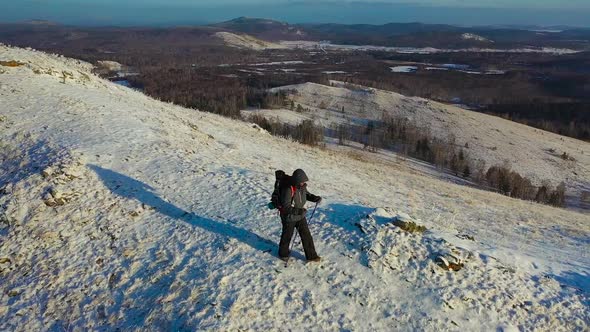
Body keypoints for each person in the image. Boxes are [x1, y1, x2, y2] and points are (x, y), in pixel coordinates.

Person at [278, 169, 322, 262]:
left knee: (306, 235)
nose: (303, 183)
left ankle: (311, 256)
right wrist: (299, 211)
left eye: (304, 181)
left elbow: (307, 195)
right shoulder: (288, 189)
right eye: (302, 181)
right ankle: (283, 254)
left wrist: (315, 198)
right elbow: (286, 207)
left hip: (300, 216)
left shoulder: (302, 187)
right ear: (296, 181)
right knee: (287, 236)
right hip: (289, 217)